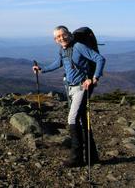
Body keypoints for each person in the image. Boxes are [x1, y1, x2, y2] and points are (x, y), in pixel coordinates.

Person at [32, 25, 105, 167]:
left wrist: (94, 78)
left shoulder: (78, 47)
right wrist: (42, 70)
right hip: (70, 88)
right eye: (58, 37)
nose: (61, 38)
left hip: (81, 88)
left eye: (63, 35)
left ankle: (76, 158)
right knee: (83, 121)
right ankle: (92, 157)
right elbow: (59, 63)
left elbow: (100, 59)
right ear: (55, 40)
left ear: (69, 34)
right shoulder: (63, 50)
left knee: (72, 118)